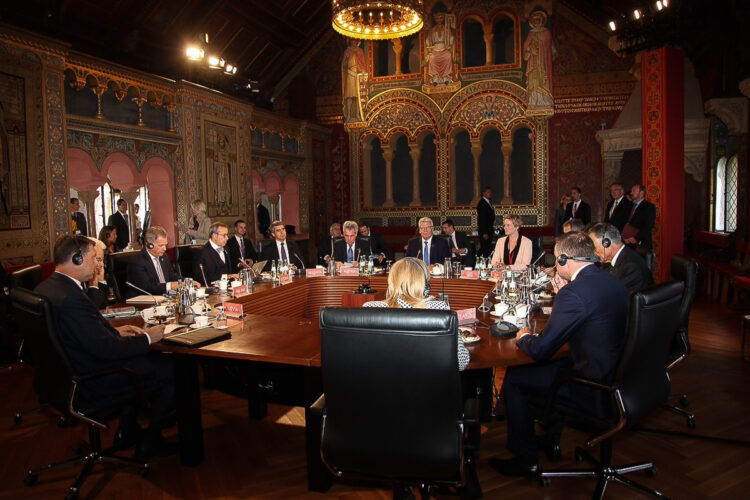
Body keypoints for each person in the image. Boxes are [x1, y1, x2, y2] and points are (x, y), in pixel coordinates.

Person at [489, 231, 628, 478]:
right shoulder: (613, 280)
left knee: (514, 379)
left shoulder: (573, 294)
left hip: (590, 384)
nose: (554, 266)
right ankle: (550, 439)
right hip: (616, 373)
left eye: (556, 261)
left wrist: (523, 336)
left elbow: (541, 350)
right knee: (552, 367)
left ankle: (526, 459)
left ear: (564, 260)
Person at [34, 235, 177, 457]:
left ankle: (127, 431)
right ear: (77, 258)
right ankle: (151, 439)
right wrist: (148, 338)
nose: (98, 264)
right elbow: (108, 350)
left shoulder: (47, 288)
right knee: (172, 369)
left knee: (141, 362)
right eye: (94, 258)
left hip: (64, 377)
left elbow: (77, 333)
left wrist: (113, 331)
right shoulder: (72, 297)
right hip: (93, 378)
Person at [363, 258, 469, 370]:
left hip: (382, 385)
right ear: (425, 286)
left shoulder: (370, 308)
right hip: (427, 385)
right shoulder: (440, 308)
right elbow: (461, 361)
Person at [588, 223, 653, 293]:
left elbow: (612, 296)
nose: (594, 253)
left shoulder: (631, 268)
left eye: (594, 247)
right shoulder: (619, 257)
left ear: (606, 243)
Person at [126, 226, 181, 298]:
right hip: (145, 301)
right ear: (150, 245)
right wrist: (170, 286)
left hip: (164, 298)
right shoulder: (137, 261)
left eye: (165, 245)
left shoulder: (164, 257)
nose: (164, 248)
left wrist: (187, 282)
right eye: (161, 245)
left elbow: (172, 276)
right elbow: (147, 288)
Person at [524, 10, 556, 110]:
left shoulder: (546, 32)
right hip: (533, 61)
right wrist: (529, 49)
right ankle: (533, 102)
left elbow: (549, 46)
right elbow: (525, 46)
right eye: (535, 20)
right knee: (533, 80)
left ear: (542, 21)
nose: (537, 22)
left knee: (542, 80)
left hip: (543, 61)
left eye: (539, 20)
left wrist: (539, 47)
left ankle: (546, 102)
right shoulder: (531, 33)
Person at [425, 12, 455, 86]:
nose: (439, 20)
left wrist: (450, 43)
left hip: (444, 48)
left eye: (441, 18)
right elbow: (428, 39)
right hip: (435, 48)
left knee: (448, 55)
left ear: (443, 19)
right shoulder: (432, 30)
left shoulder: (446, 28)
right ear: (435, 19)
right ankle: (435, 77)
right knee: (431, 57)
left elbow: (451, 37)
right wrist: (429, 47)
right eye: (437, 18)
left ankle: (445, 77)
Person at [622, 184, 656, 249]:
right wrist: (624, 237)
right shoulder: (630, 206)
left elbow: (648, 226)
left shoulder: (649, 207)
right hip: (627, 242)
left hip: (641, 244)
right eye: (631, 191)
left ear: (641, 193)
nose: (631, 193)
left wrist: (636, 238)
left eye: (634, 191)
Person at [341, 38, 367, 122]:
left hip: (358, 75)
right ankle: (348, 115)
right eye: (353, 40)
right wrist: (347, 60)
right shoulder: (347, 51)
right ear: (350, 41)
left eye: (356, 40)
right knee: (349, 96)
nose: (354, 42)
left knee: (357, 96)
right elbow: (344, 66)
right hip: (350, 74)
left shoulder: (360, 51)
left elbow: (363, 64)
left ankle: (357, 114)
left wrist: (363, 70)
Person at [84, 237, 111, 309]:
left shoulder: (94, 276)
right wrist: (94, 286)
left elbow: (104, 306)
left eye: (102, 260)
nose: (102, 264)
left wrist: (101, 281)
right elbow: (93, 311)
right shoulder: (80, 279)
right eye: (98, 260)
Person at [476, 186, 496, 257]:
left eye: (490, 192)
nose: (490, 193)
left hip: (489, 229)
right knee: (485, 248)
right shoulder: (482, 203)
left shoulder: (488, 202)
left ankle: (480, 259)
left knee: (486, 248)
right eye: (488, 192)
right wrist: (484, 232)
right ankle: (478, 260)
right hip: (485, 231)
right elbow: (482, 219)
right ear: (483, 193)